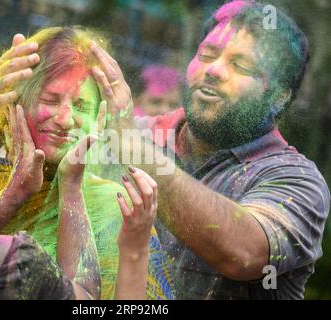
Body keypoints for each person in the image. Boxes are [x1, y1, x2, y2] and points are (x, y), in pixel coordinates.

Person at [87, 0, 330, 299]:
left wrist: (133, 151)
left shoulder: (297, 181)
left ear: (278, 97)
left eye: (240, 65)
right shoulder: (134, 133)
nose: (213, 70)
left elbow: (243, 254)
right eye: (206, 55)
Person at [0, 65, 159, 300]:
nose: (64, 120)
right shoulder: (17, 263)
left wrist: (12, 198)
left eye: (80, 105)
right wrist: (134, 248)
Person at [0, 27, 173, 300]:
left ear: (101, 116)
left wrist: (71, 187)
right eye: (50, 100)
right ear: (17, 102)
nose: (65, 120)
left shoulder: (116, 207)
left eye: (82, 107)